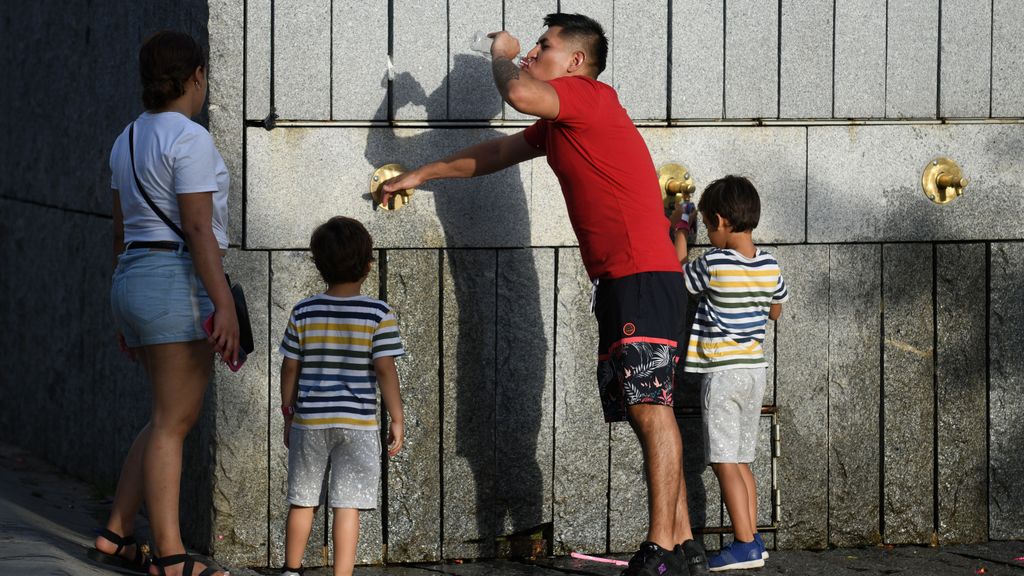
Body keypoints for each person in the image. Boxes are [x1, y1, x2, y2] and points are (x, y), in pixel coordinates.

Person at [382, 13, 707, 576]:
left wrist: (503, 54)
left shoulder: (587, 96)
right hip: (625, 278)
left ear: (575, 61)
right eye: (531, 45)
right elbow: (494, 154)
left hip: (640, 273)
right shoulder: (561, 125)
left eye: (544, 45)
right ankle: (679, 545)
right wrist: (421, 173)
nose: (532, 52)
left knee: (649, 407)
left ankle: (661, 547)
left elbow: (516, 90)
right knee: (646, 406)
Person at [91, 31, 238, 576]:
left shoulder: (125, 138)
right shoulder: (190, 139)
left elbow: (118, 231)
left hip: (132, 279)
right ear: (196, 75)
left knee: (164, 416)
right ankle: (172, 559)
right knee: (174, 421)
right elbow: (199, 228)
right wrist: (221, 303)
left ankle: (115, 532)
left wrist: (123, 312)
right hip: (175, 279)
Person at [671, 176, 788, 571]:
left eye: (706, 225)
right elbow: (775, 310)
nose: (707, 232)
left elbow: (677, 276)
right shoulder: (769, 263)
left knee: (723, 461)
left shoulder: (714, 263)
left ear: (720, 220)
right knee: (741, 460)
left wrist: (680, 228)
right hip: (755, 370)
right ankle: (752, 537)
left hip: (722, 373)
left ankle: (743, 544)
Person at [277, 217, 405, 576]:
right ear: (367, 265)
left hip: (311, 420)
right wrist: (397, 417)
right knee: (347, 505)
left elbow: (290, 367)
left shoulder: (304, 311)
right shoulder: (378, 313)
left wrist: (288, 413)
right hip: (358, 424)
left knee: (302, 499)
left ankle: (291, 569)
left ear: (319, 265)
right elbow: (384, 369)